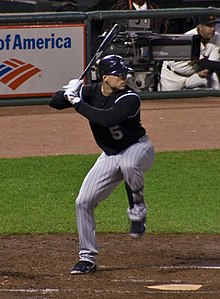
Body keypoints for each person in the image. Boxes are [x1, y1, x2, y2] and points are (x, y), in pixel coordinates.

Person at [49, 54, 155, 274]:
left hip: (139, 148)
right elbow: (54, 103)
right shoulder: (89, 92)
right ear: (104, 77)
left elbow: (106, 118)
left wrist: (77, 102)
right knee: (83, 202)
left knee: (128, 163)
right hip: (109, 155)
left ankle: (137, 208)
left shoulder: (129, 98)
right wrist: (70, 92)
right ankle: (87, 258)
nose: (123, 77)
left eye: (124, 73)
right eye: (118, 74)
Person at [159, 15, 220, 91]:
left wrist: (207, 70)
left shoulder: (217, 38)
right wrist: (207, 67)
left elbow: (213, 63)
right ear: (199, 27)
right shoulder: (189, 37)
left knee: (215, 82)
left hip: (193, 75)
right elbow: (202, 63)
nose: (213, 29)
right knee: (167, 101)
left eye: (214, 25)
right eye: (209, 26)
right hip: (173, 76)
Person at [103, 0, 167, 33]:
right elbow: (107, 31)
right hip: (124, 50)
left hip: (151, 50)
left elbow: (163, 32)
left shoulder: (155, 9)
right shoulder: (120, 7)